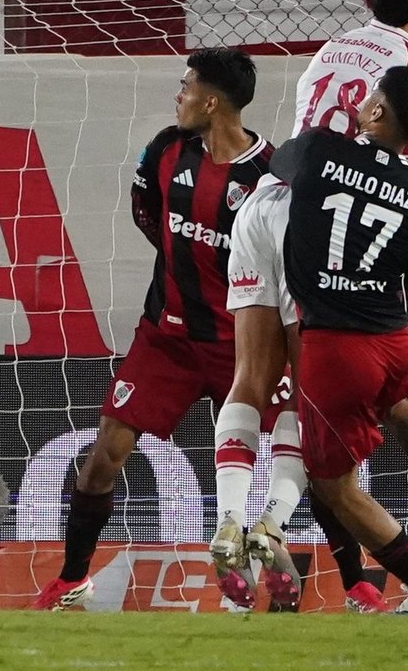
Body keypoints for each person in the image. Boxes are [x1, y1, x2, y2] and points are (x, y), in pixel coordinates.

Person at [214, 0, 408, 611]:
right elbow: (391, 176)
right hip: (329, 241)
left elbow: (314, 143)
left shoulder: (328, 53)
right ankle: (283, 521)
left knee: (255, 378)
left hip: (268, 205)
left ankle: (231, 519)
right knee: (319, 398)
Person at [34, 50, 274, 611]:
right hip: (164, 338)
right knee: (104, 458)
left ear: (211, 101)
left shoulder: (269, 175)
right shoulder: (165, 148)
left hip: (241, 344)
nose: (179, 94)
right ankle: (72, 580)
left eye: (186, 86)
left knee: (306, 459)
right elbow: (147, 214)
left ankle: (355, 580)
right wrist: (181, 272)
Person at [273, 66, 408, 613]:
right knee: (398, 406)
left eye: (371, 96)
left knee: (335, 487)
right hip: (392, 341)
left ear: (376, 111)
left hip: (335, 346)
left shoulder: (315, 150)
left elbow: (278, 170)